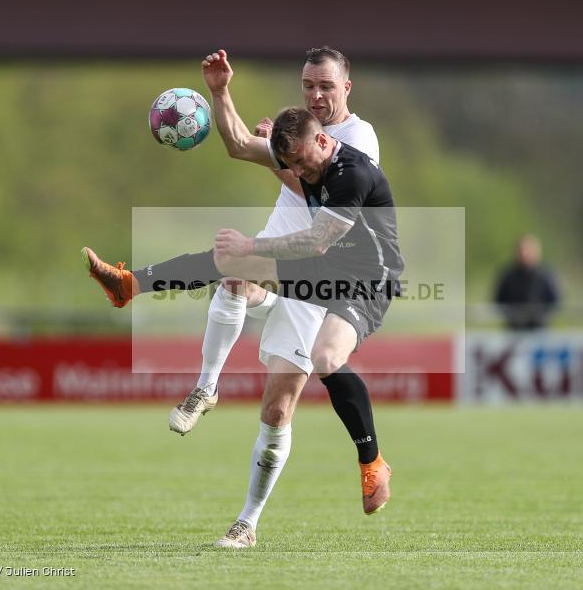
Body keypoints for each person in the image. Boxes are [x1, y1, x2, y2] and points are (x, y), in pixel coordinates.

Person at [82, 103, 403, 548]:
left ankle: (372, 462)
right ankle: (129, 285)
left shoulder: (354, 170)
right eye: (289, 166)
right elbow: (240, 146)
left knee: (326, 357)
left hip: (366, 281)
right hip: (322, 269)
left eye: (303, 164)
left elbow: (317, 238)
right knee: (232, 268)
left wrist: (253, 243)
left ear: (326, 141)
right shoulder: (305, 151)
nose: (299, 174)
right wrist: (219, 90)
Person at [164, 47, 382, 548]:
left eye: (326, 85)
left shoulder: (358, 138)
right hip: (280, 262)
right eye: (309, 85)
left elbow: (316, 195)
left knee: (277, 410)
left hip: (321, 280)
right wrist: (220, 93)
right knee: (233, 279)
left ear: (346, 87)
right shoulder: (298, 129)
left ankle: (248, 522)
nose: (316, 95)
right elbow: (238, 144)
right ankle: (206, 388)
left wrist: (280, 157)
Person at [494, 234, 560, 330]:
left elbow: (555, 301)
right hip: (514, 330)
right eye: (522, 250)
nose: (524, 254)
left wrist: (540, 314)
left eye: (528, 250)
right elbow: (499, 301)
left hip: (539, 329)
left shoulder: (545, 275)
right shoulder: (508, 275)